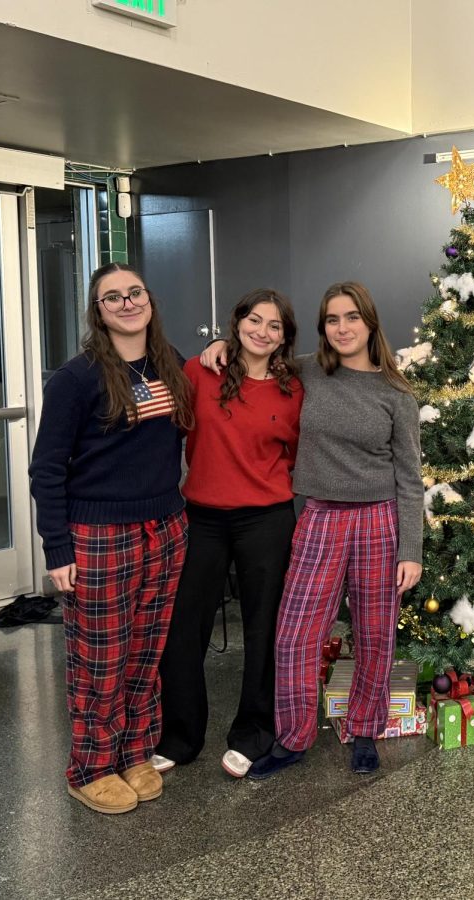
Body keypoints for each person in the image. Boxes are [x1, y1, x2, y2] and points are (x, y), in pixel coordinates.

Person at [202, 281, 422, 778]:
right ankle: (295, 737)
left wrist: (412, 549)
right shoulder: (306, 371)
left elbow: (410, 478)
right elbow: (257, 353)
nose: (342, 328)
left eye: (351, 318)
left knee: (375, 633)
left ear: (370, 323)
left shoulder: (396, 394)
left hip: (378, 520)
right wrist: (221, 344)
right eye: (331, 319)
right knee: (295, 635)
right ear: (322, 328)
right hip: (321, 516)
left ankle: (365, 728)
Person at [29, 263, 193, 814]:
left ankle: (135, 752)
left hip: (166, 527)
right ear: (98, 312)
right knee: (102, 657)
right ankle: (91, 766)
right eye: (112, 297)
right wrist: (57, 547)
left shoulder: (171, 366)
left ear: (150, 300)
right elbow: (47, 468)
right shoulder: (75, 380)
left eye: (135, 293)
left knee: (147, 652)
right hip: (98, 534)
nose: (127, 303)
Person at [152, 290, 303, 779]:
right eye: (253, 320)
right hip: (202, 517)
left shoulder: (293, 388)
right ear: (236, 324)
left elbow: (300, 454)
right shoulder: (201, 370)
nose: (262, 331)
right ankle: (180, 735)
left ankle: (254, 732)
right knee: (183, 628)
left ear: (285, 337)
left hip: (267, 518)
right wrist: (213, 345)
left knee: (263, 628)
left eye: (274, 326)